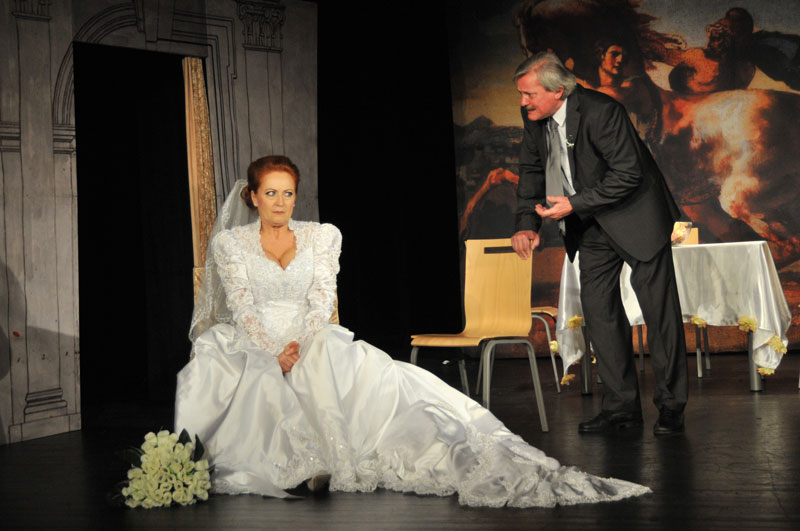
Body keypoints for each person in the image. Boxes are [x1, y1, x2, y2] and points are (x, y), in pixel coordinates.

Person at [174, 155, 651, 507]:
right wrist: (272, 354)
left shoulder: (321, 236)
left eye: (288, 193)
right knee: (233, 369)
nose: (280, 202)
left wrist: (297, 346)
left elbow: (321, 300)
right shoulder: (232, 244)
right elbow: (241, 307)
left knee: (370, 382)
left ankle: (342, 454)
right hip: (257, 337)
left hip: (310, 335)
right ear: (253, 196)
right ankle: (297, 463)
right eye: (271, 193)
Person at [511, 52, 688, 436]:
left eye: (529, 94)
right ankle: (621, 408)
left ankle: (671, 407)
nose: (523, 102)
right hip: (590, 225)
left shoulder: (602, 112)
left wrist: (573, 204)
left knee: (660, 316)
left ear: (557, 92)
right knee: (601, 315)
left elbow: (628, 173)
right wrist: (526, 224)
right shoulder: (535, 119)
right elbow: (531, 171)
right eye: (521, 95)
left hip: (637, 217)